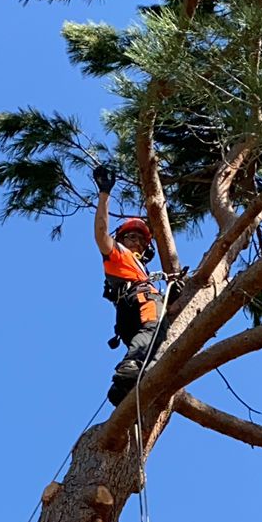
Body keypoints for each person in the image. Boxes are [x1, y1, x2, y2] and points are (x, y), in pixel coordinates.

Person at [92, 165, 168, 406]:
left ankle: (121, 388)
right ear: (122, 239)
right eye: (131, 236)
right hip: (140, 303)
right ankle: (131, 363)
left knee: (154, 352)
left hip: (128, 321)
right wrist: (104, 194)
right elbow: (101, 234)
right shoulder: (119, 254)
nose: (137, 241)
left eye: (141, 239)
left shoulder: (142, 270)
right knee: (156, 328)